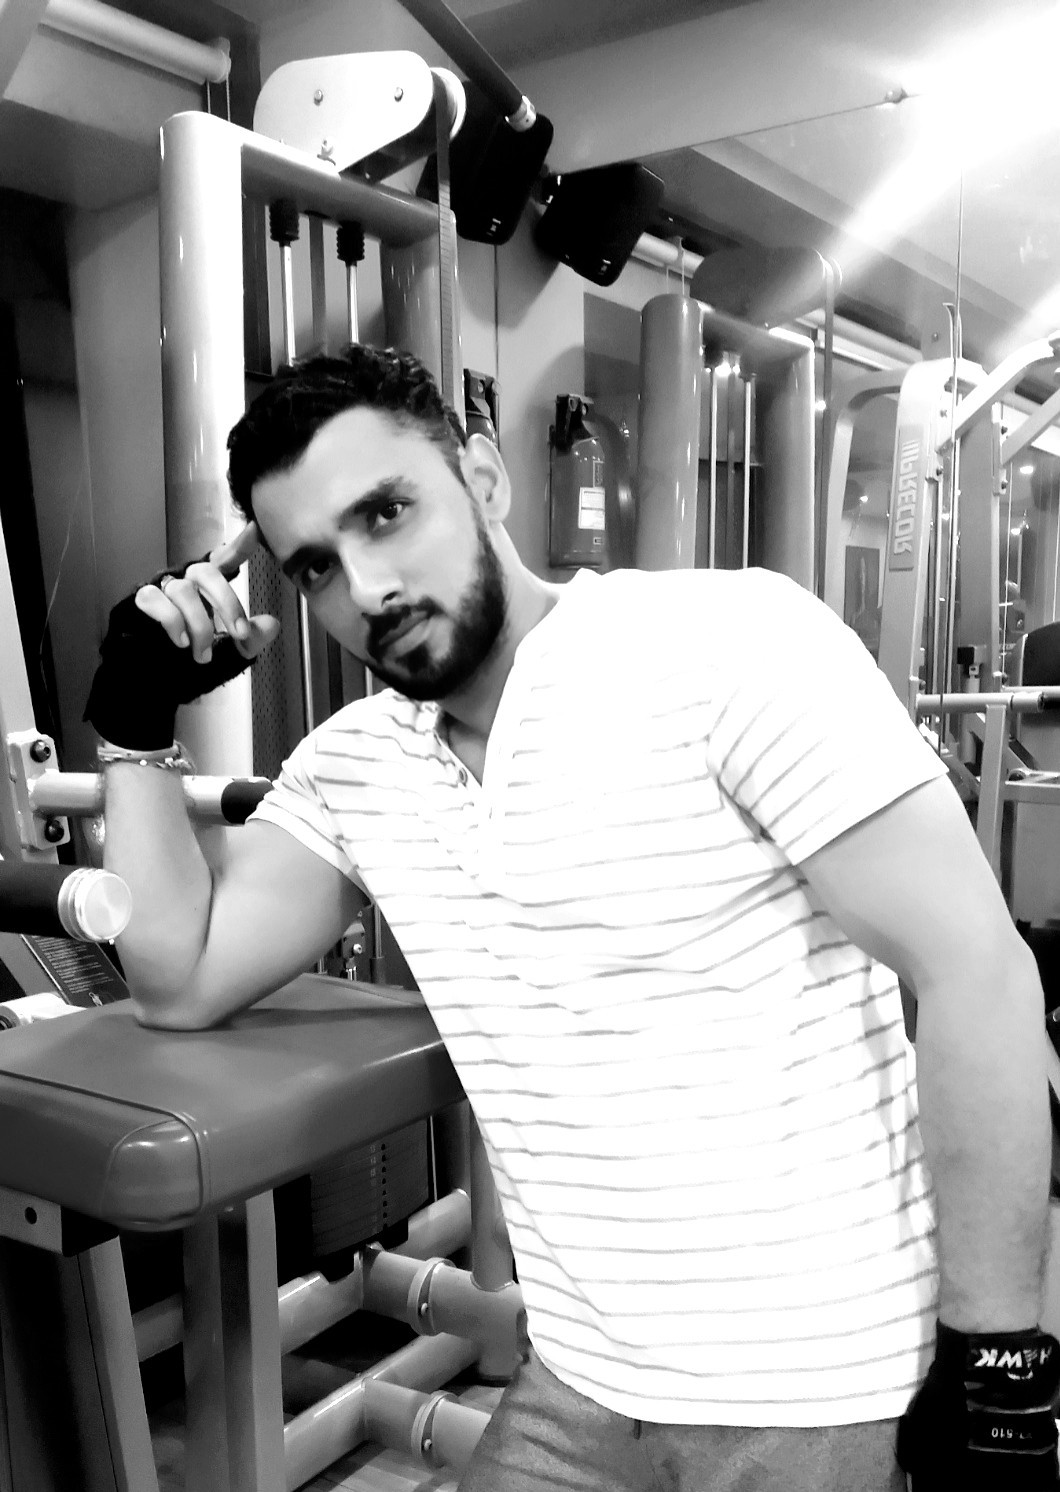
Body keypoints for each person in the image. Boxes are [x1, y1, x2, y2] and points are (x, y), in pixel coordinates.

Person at [86, 345, 1059, 1492]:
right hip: (579, 1383)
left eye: (387, 513)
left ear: (484, 476)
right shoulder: (356, 767)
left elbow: (975, 974)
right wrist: (133, 720)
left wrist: (997, 1370)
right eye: (315, 567)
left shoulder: (726, 647)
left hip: (815, 1385)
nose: (367, 588)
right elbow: (180, 974)